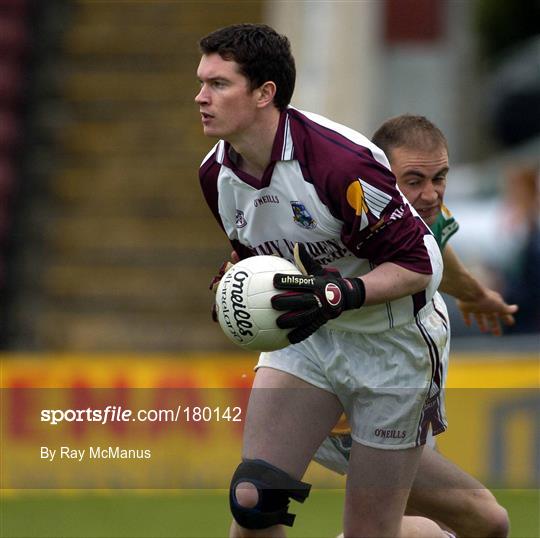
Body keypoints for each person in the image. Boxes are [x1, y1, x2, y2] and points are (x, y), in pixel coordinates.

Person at [196, 23, 451, 537]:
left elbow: (422, 265)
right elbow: (256, 257)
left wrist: (341, 292)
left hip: (392, 344)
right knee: (253, 500)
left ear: (265, 93)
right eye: (202, 82)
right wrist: (237, 287)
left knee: (372, 530)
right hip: (311, 340)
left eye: (219, 84)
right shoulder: (215, 174)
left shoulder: (340, 162)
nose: (201, 96)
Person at [314, 114, 515, 538]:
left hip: (402, 401)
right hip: (368, 412)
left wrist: (475, 294)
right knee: (487, 522)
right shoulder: (356, 228)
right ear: (379, 176)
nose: (431, 193)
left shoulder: (424, 212)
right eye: (415, 180)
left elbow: (439, 248)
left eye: (440, 176)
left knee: (423, 525)